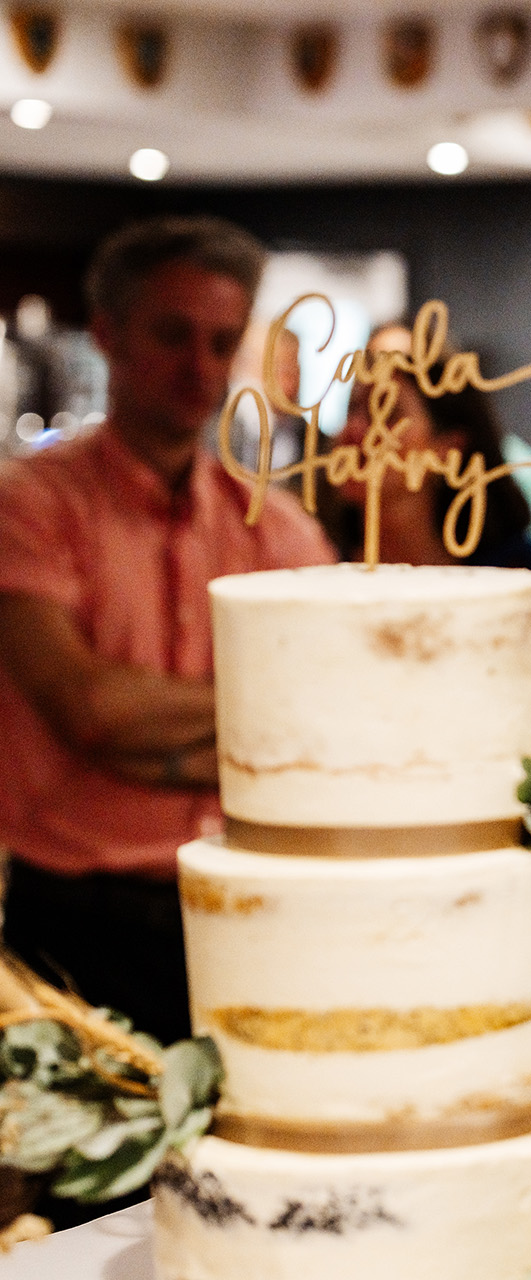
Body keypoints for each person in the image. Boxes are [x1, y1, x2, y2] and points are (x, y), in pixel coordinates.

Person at [0, 216, 335, 1051]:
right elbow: (88, 707)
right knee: (93, 1182)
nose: (201, 369)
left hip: (248, 918)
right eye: (174, 335)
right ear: (107, 335)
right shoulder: (31, 506)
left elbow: (327, 713)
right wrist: (246, 719)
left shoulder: (278, 525)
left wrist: (159, 736)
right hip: (78, 926)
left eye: (223, 343)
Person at [330, 322, 531, 687]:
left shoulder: (526, 574)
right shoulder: (312, 562)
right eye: (352, 409)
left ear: (449, 445)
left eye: (387, 413)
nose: (356, 431)